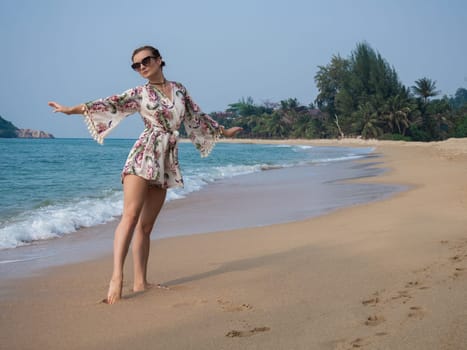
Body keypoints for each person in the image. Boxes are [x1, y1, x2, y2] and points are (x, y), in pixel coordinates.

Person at [48, 45, 242, 304]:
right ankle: (117, 277)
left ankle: (141, 282)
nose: (141, 67)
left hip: (166, 160)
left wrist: (224, 132)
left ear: (160, 60)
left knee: (147, 226)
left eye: (145, 61)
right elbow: (110, 103)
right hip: (143, 154)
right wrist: (72, 109)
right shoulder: (139, 93)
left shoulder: (180, 89)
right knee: (129, 216)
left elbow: (196, 116)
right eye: (136, 65)